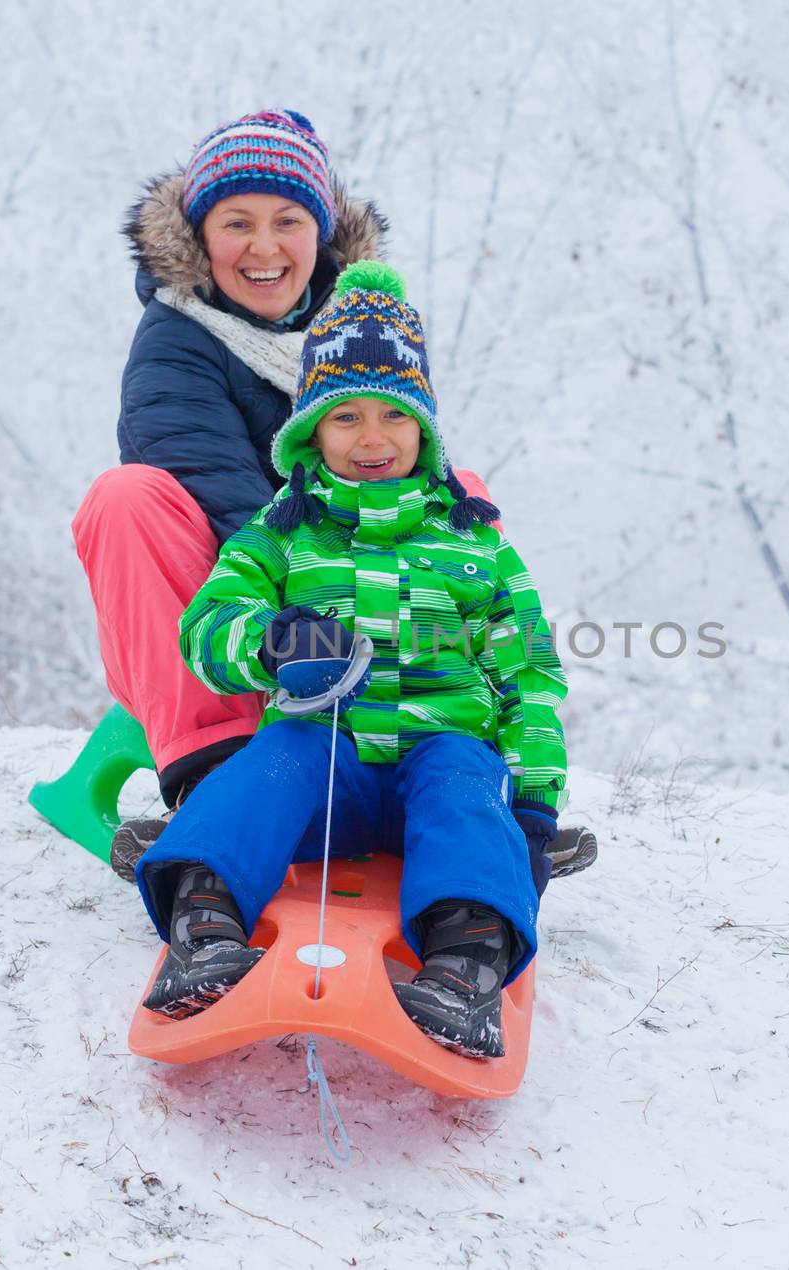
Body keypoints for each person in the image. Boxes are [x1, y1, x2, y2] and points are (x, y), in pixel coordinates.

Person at [69, 109, 596, 885]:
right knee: (125, 498)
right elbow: (234, 509)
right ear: (199, 235)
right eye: (236, 222)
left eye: (287, 221)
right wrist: (304, 615)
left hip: (358, 597)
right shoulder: (174, 341)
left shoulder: (356, 326)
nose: (263, 246)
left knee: (466, 501)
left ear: (319, 232)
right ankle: (211, 776)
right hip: (238, 594)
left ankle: (463, 760)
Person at [133, 262, 565, 1059]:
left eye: (395, 417)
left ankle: (465, 962)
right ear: (310, 432)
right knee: (277, 757)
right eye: (347, 418)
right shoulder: (282, 531)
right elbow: (208, 624)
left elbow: (529, 671)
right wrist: (270, 644)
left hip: (437, 767)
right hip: (325, 770)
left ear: (425, 429)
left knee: (465, 775)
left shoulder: (474, 542)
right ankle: (206, 919)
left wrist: (534, 805)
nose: (372, 439)